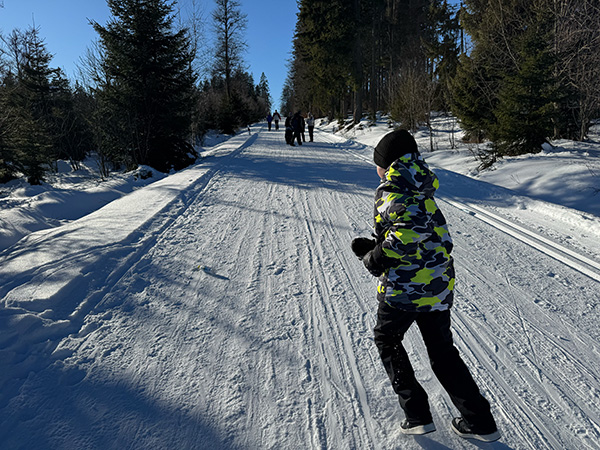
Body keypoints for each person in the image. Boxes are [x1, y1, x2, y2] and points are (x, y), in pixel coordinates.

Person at [351, 129, 500, 443]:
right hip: (436, 284)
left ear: (389, 164)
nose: (376, 169)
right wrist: (377, 244)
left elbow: (406, 231)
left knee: (387, 339)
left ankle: (417, 413)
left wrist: (375, 259)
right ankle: (479, 421)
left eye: (378, 163)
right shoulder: (419, 183)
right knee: (443, 352)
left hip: (405, 289)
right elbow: (417, 228)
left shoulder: (392, 187)